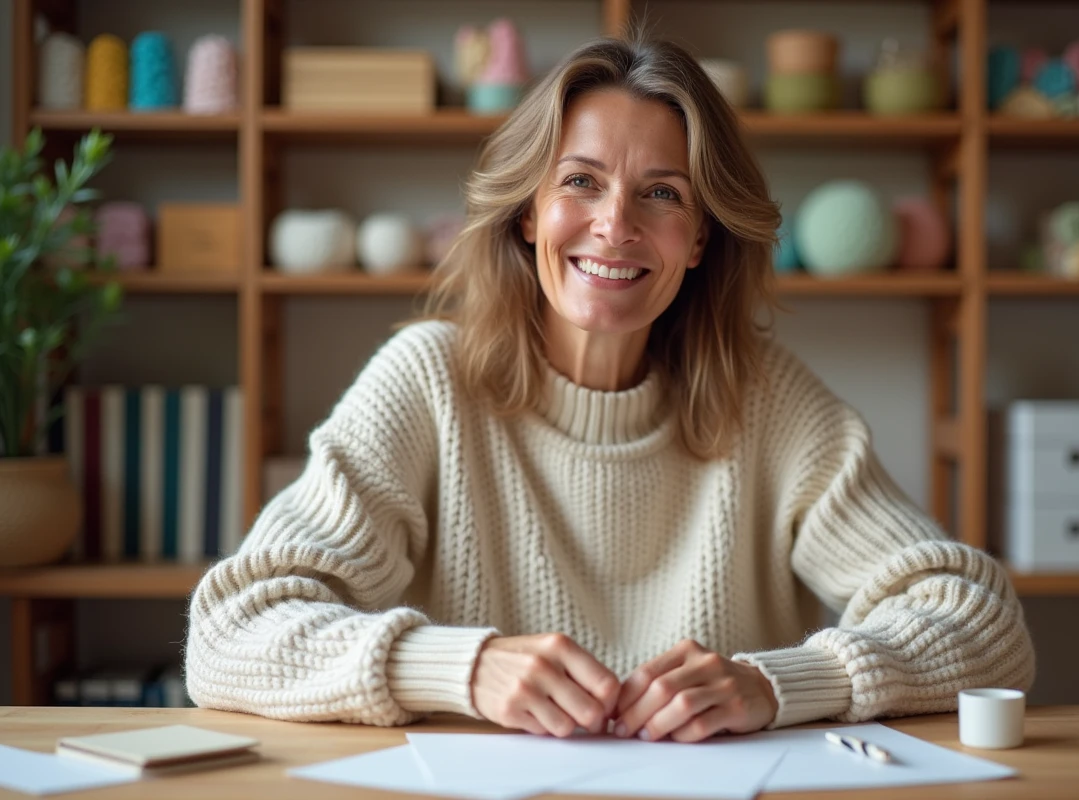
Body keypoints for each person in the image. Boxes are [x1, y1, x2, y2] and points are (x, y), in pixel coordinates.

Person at [185, 33, 1035, 744]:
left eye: (661, 194)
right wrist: (463, 666)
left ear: (699, 236)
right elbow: (227, 636)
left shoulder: (766, 400)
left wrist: (781, 683)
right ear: (528, 212)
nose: (615, 225)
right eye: (581, 181)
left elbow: (985, 626)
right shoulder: (426, 382)